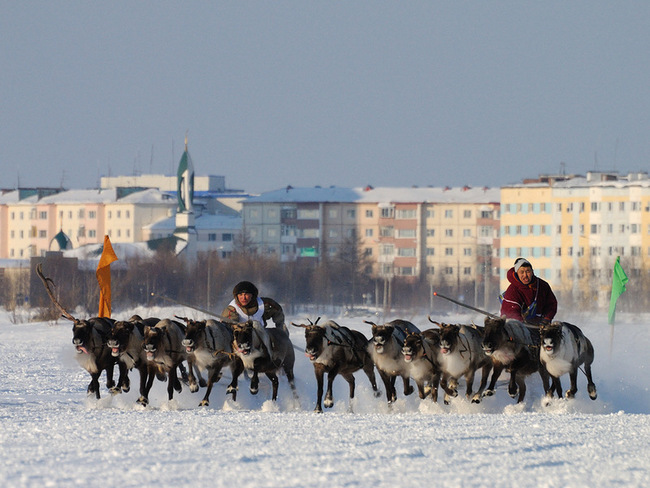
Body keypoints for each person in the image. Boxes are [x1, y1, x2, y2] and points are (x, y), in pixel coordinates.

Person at [500, 257, 557, 325]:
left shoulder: (542, 286)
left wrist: (546, 319)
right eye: (522, 272)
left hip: (540, 324)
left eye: (528, 271)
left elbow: (551, 304)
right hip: (519, 326)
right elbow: (510, 312)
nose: (525, 275)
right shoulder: (513, 290)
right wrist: (523, 324)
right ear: (516, 273)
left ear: (532, 272)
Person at [222, 281, 288, 335]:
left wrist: (281, 331)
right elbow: (226, 329)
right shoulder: (231, 310)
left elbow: (278, 313)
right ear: (236, 296)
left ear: (253, 295)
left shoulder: (264, 305)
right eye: (240, 295)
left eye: (246, 294)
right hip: (240, 341)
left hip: (262, 338)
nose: (243, 298)